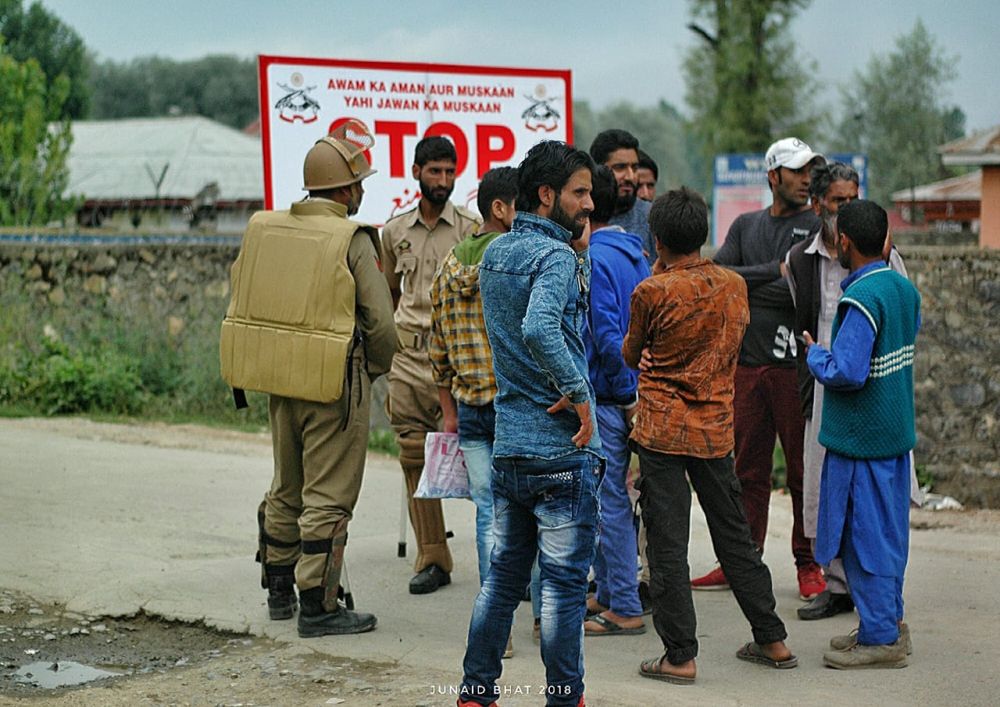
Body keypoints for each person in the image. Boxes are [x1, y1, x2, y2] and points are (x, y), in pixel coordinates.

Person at [222, 121, 398, 636]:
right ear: (344, 190)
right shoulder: (352, 238)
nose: (361, 191)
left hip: (280, 377)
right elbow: (381, 324)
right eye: (358, 183)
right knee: (329, 495)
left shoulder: (266, 228)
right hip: (337, 383)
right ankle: (319, 606)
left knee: (287, 486)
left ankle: (279, 590)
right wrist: (374, 368)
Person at [624, 187, 797, 685]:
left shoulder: (652, 291)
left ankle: (679, 656)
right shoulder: (733, 285)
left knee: (668, 545)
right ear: (703, 235)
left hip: (662, 432)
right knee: (735, 537)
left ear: (657, 240)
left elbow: (631, 354)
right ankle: (772, 638)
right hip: (715, 430)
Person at [458, 141, 601, 707]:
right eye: (580, 193)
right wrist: (580, 395)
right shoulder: (555, 258)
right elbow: (541, 327)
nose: (589, 204)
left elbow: (528, 332)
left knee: (501, 582)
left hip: (510, 448)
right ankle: (566, 699)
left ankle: (475, 694)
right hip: (560, 452)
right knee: (562, 589)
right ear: (547, 195)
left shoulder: (496, 252)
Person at [785, 162, 912, 621]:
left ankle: (878, 621)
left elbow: (851, 366)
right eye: (838, 201)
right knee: (847, 505)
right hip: (852, 406)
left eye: (852, 200)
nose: (844, 209)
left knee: (865, 516)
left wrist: (820, 357)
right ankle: (854, 596)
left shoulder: (869, 288)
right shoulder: (802, 260)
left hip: (861, 405)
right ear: (818, 204)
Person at [701, 137, 826, 601]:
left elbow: (804, 290)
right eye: (797, 171)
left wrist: (751, 281)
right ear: (774, 176)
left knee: (801, 473)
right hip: (748, 365)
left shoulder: (817, 227)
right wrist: (775, 271)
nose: (806, 179)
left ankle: (808, 564)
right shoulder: (746, 224)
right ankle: (742, 561)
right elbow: (719, 278)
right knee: (747, 472)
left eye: (810, 170)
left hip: (797, 369)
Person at [801, 199, 921, 669]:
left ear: (843, 242)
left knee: (863, 539)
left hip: (861, 440)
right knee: (888, 537)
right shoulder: (903, 290)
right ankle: (888, 622)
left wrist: (816, 355)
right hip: (893, 437)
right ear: (886, 242)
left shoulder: (861, 299)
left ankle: (880, 638)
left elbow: (848, 371)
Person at [381, 136, 481, 595]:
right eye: (434, 170)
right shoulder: (393, 230)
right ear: (416, 171)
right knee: (411, 451)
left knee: (480, 451)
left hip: (456, 359)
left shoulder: (471, 229)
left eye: (449, 171)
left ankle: (504, 560)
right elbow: (389, 292)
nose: (442, 180)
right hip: (407, 356)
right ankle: (433, 555)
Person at [429, 166, 518, 654]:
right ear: (500, 209)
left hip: (468, 409)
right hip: (514, 408)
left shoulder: (448, 264)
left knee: (488, 514)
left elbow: (437, 348)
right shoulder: (513, 259)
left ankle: (495, 629)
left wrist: (449, 409)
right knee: (530, 512)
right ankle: (542, 619)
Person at [581, 165, 650, 637]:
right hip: (631, 389)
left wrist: (625, 397)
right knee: (612, 500)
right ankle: (608, 593)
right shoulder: (634, 253)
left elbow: (608, 337)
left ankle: (624, 604)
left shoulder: (595, 259)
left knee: (609, 504)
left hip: (611, 395)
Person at [589, 129, 656, 266]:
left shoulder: (653, 217)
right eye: (620, 167)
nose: (630, 176)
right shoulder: (582, 217)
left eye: (635, 168)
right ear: (598, 170)